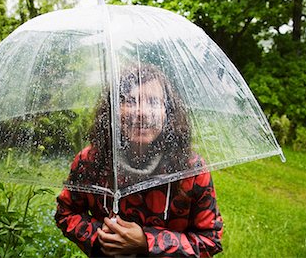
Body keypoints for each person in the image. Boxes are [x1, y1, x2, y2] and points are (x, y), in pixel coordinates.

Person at [55, 64, 223, 257]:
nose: (142, 112)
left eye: (153, 102)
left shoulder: (191, 169)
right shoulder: (90, 160)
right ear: (113, 110)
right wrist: (102, 238)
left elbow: (210, 239)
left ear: (168, 113)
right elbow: (66, 212)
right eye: (131, 101)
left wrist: (146, 242)